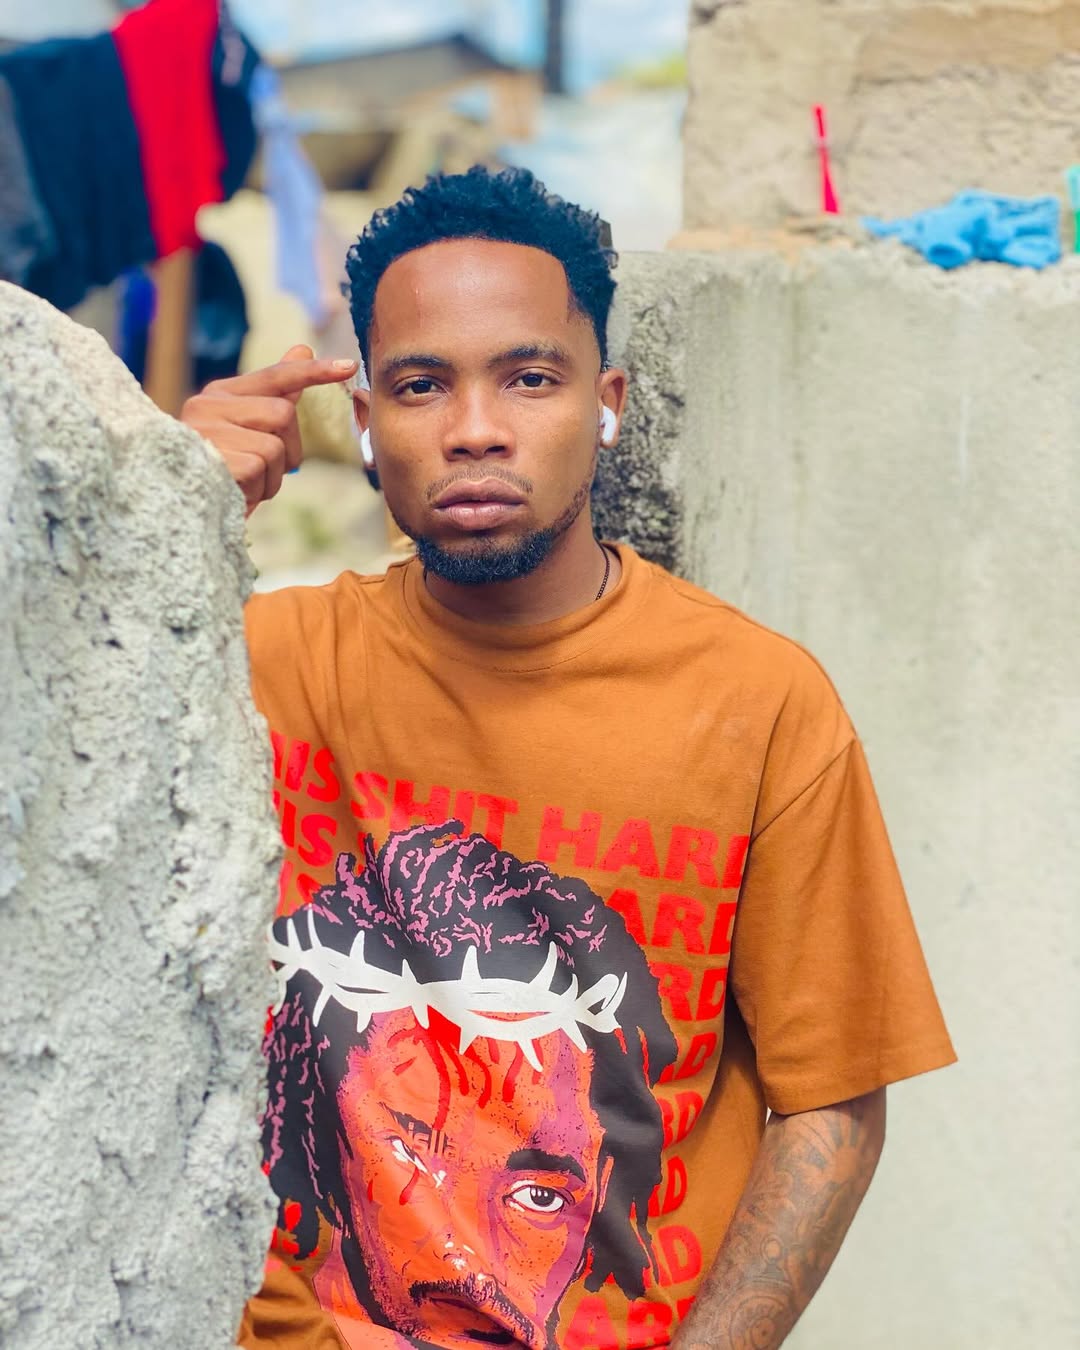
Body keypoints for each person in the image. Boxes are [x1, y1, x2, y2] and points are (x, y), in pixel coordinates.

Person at [181, 165, 955, 1350]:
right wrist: (160, 509)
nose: (474, 428)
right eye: (421, 385)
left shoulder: (757, 704)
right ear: (364, 421)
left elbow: (834, 1106)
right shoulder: (262, 663)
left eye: (530, 378)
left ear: (607, 403)